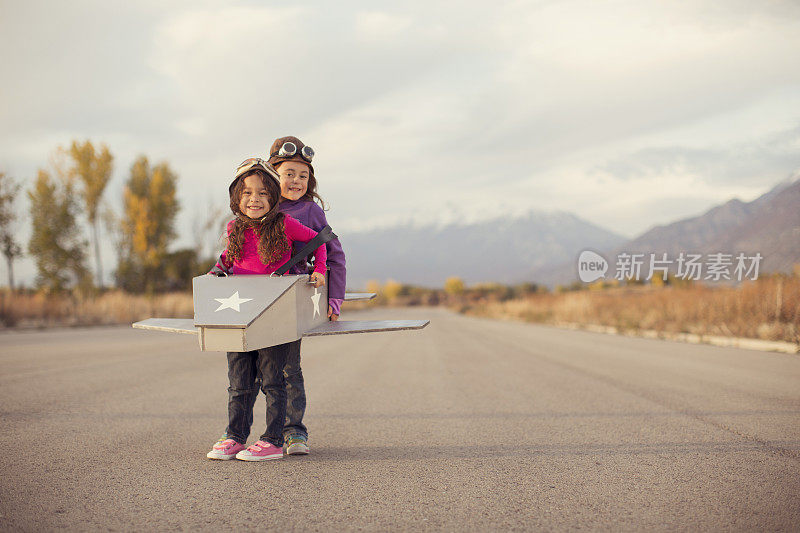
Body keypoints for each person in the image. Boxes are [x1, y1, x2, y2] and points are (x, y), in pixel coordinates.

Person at [206, 157, 327, 461]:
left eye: (262, 193)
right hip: (240, 316)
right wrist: (211, 280)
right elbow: (225, 262)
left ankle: (272, 440)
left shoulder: (284, 224)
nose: (254, 199)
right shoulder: (234, 228)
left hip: (275, 313)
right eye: (247, 193)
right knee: (239, 381)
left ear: (274, 197)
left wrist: (320, 270)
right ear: (237, 198)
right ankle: (234, 436)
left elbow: (321, 240)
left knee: (274, 380)